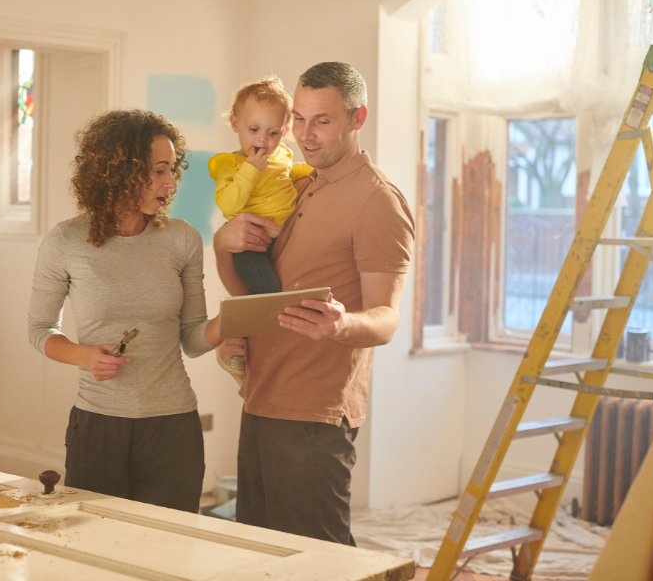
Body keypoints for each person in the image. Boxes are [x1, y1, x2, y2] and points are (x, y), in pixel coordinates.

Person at [214, 62, 415, 544]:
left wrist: (342, 326)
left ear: (357, 118)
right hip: (261, 396)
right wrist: (223, 243)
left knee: (318, 563)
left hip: (314, 413)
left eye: (321, 120)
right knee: (258, 556)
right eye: (298, 119)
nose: (304, 134)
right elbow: (250, 292)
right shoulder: (295, 183)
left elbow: (387, 319)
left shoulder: (377, 202)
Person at [27, 109, 221, 514]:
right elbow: (40, 329)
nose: (170, 183)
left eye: (172, 170)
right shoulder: (66, 240)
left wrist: (229, 328)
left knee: (171, 553)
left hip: (173, 425)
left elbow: (192, 337)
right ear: (118, 172)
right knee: (94, 554)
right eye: (158, 171)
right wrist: (84, 356)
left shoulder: (182, 240)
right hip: (99, 426)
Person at [208, 75, 312, 381]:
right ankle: (235, 348)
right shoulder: (228, 163)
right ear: (235, 123)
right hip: (248, 242)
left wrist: (323, 172)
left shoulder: (281, 157)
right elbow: (229, 204)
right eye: (253, 130)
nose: (262, 140)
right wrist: (250, 169)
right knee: (267, 291)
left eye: (273, 132)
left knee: (266, 291)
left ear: (285, 131)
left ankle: (246, 343)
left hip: (276, 240)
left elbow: (295, 172)